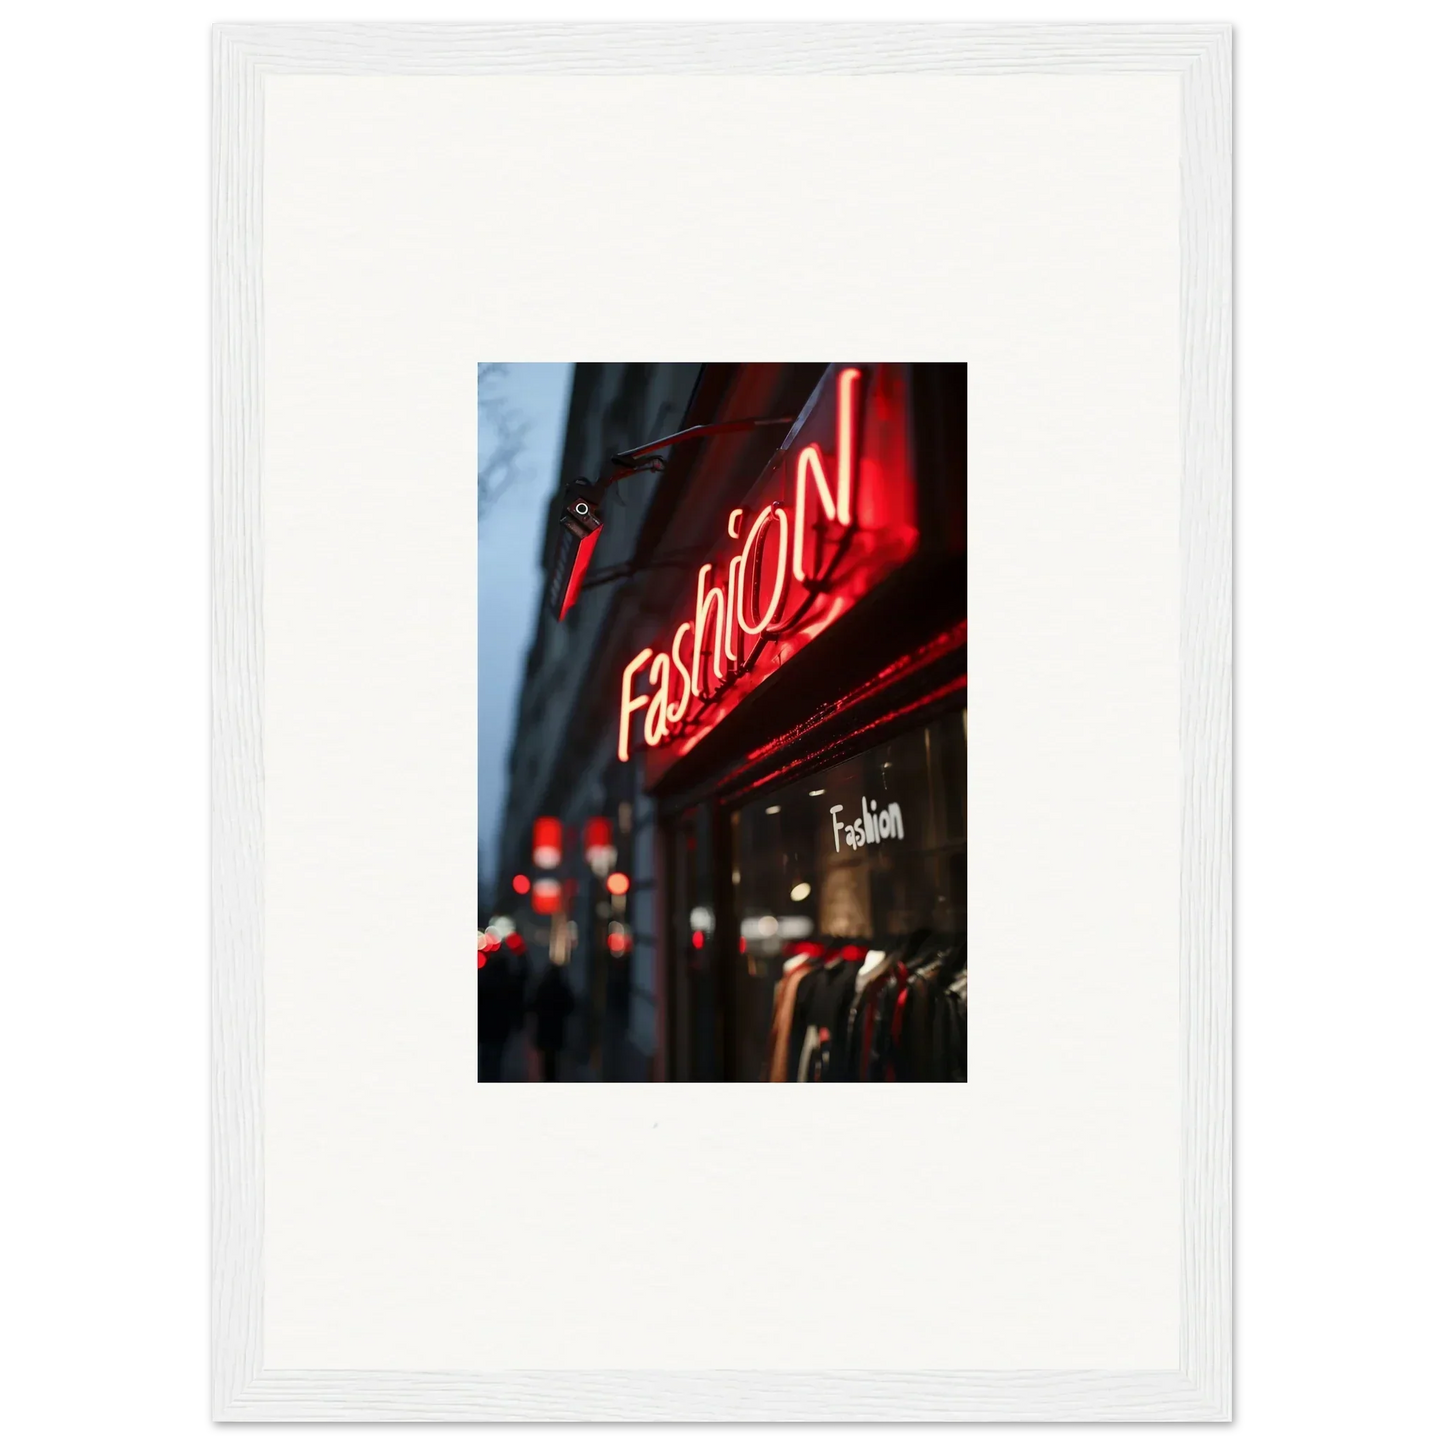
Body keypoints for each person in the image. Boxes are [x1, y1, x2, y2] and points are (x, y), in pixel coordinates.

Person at [477, 936, 514, 1082]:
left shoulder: (484, 981)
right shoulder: (507, 983)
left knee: (486, 1058)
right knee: (496, 1059)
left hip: (486, 1027)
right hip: (500, 1028)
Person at [530, 962, 575, 1082]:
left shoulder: (542, 987)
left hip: (544, 1028)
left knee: (546, 1057)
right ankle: (552, 1079)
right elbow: (571, 1005)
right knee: (554, 1057)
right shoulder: (562, 988)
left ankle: (546, 1078)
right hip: (557, 1028)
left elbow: (533, 1005)